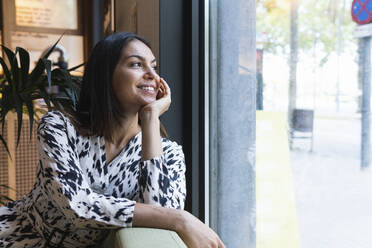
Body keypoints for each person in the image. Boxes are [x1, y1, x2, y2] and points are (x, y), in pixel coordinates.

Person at [0, 32, 224, 248]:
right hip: (16, 236)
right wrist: (182, 219)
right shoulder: (59, 127)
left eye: (153, 67)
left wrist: (150, 119)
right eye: (136, 64)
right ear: (106, 74)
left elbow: (161, 217)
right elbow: (76, 205)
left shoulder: (169, 153)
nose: (152, 76)